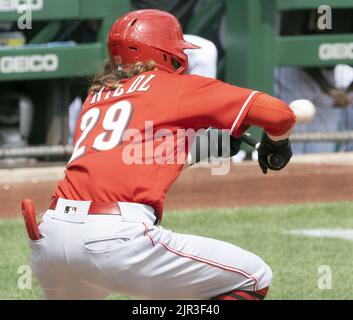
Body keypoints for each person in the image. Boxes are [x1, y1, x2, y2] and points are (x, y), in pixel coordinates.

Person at [26, 9, 295, 300]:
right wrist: (276, 143)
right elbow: (280, 114)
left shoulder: (97, 96)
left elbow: (134, 154)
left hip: (50, 236)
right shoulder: (176, 85)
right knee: (254, 277)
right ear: (166, 51)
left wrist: (214, 145)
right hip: (114, 237)